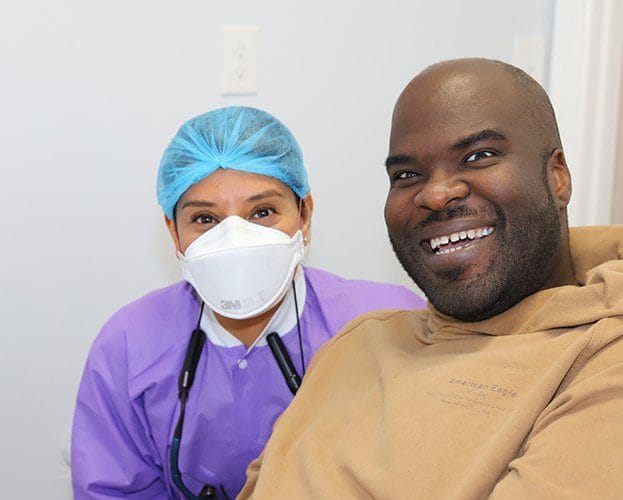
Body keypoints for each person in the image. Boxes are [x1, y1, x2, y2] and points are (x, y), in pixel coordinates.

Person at [238, 59, 623, 499]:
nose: (436, 194)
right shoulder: (359, 344)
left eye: (478, 156)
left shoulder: (598, 355)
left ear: (557, 177)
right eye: (407, 175)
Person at [71, 106, 425, 499]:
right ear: (174, 232)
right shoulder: (129, 345)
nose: (234, 238)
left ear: (304, 215)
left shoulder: (391, 324)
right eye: (205, 219)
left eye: (263, 212)